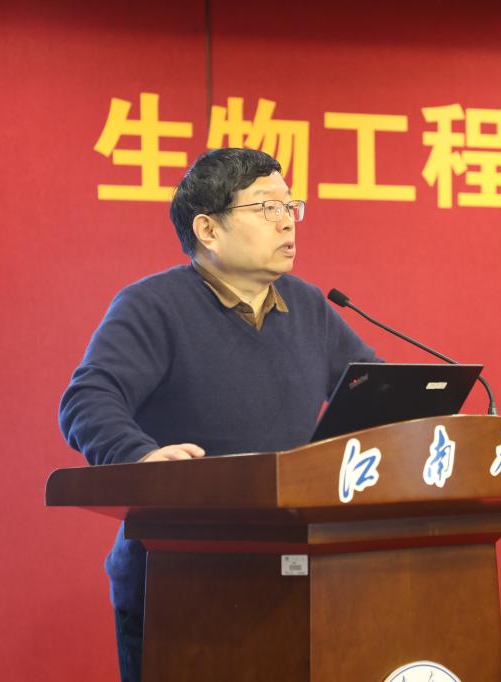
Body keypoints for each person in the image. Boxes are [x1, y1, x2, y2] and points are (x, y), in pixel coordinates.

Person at [58, 148, 377, 682]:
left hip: (298, 570)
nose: (287, 222)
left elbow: (373, 391)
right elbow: (87, 399)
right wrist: (140, 457)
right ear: (208, 229)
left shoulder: (309, 306)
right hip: (178, 574)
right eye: (267, 207)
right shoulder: (153, 306)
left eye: (290, 206)